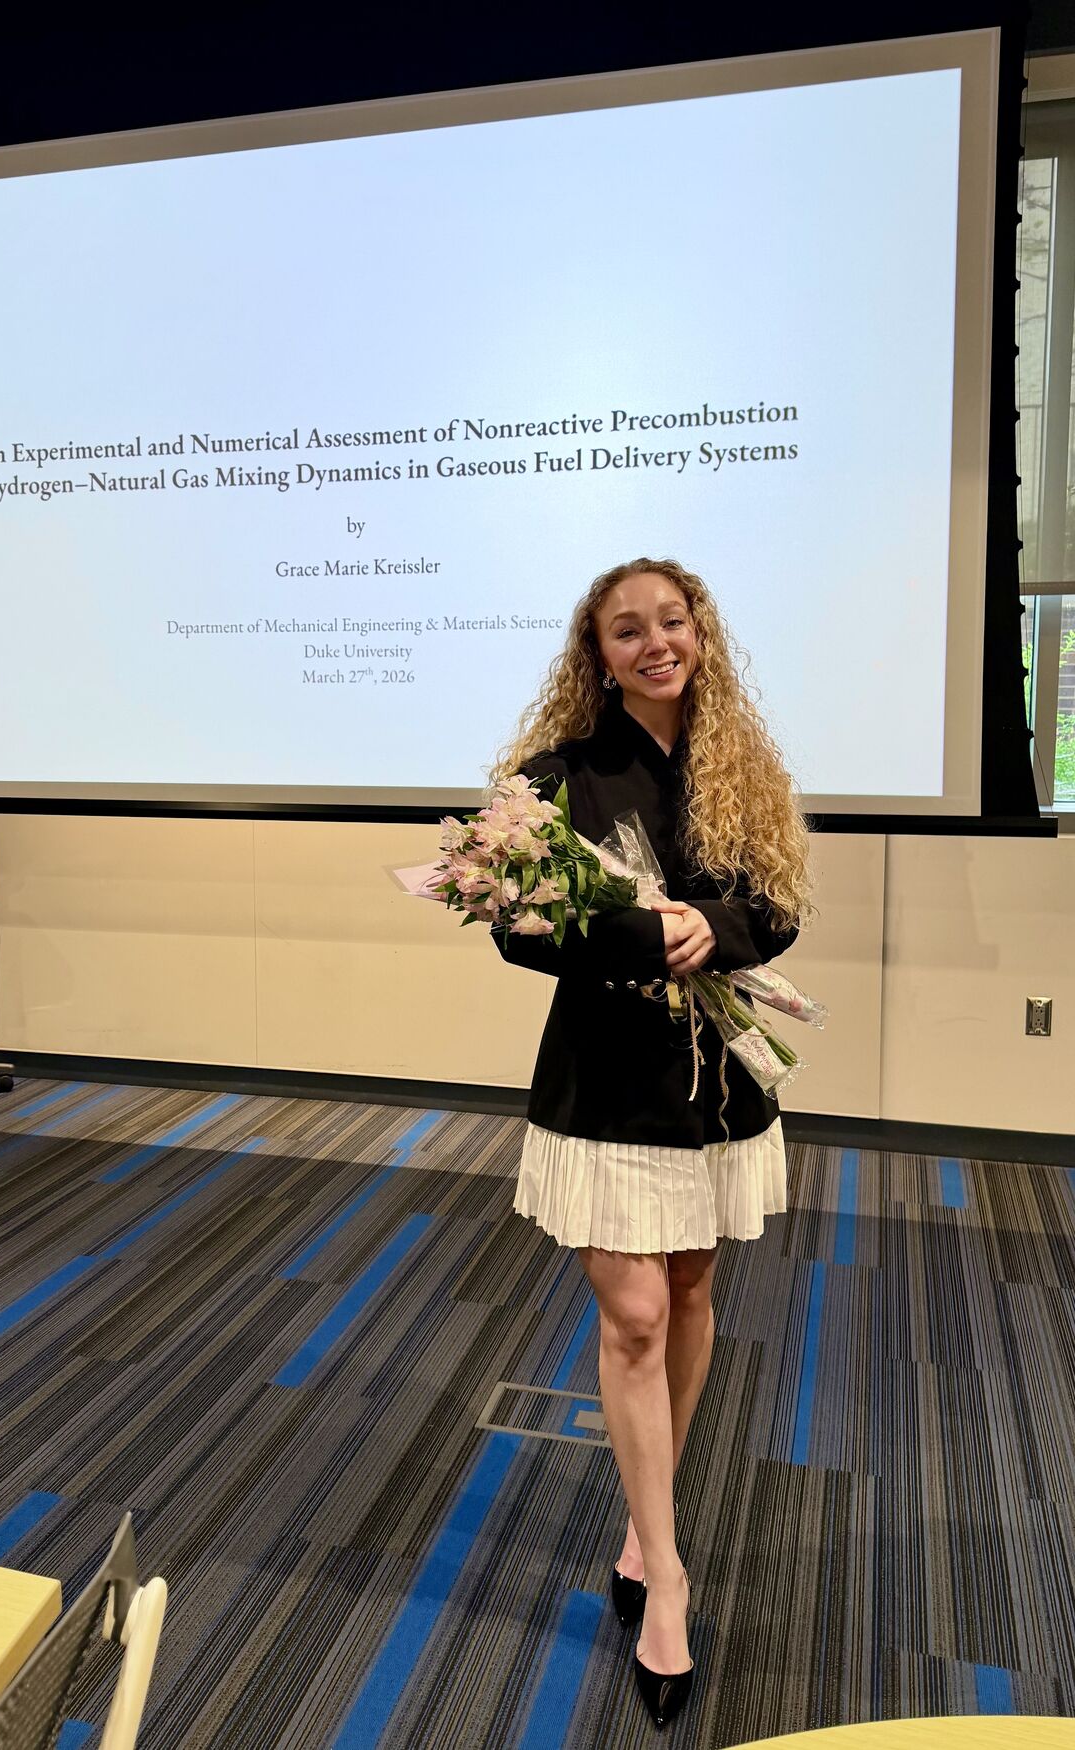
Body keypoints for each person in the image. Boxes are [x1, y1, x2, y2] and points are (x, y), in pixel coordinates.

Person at [490, 556, 812, 1730]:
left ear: (699, 634)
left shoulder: (744, 767)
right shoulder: (549, 777)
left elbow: (775, 910)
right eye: (625, 629)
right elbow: (516, 930)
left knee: (685, 1295)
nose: (652, 642)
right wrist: (646, 932)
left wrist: (712, 929)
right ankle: (665, 1576)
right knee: (629, 1315)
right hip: (605, 1081)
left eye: (669, 621)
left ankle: (642, 1521)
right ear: (597, 653)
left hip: (711, 1086)